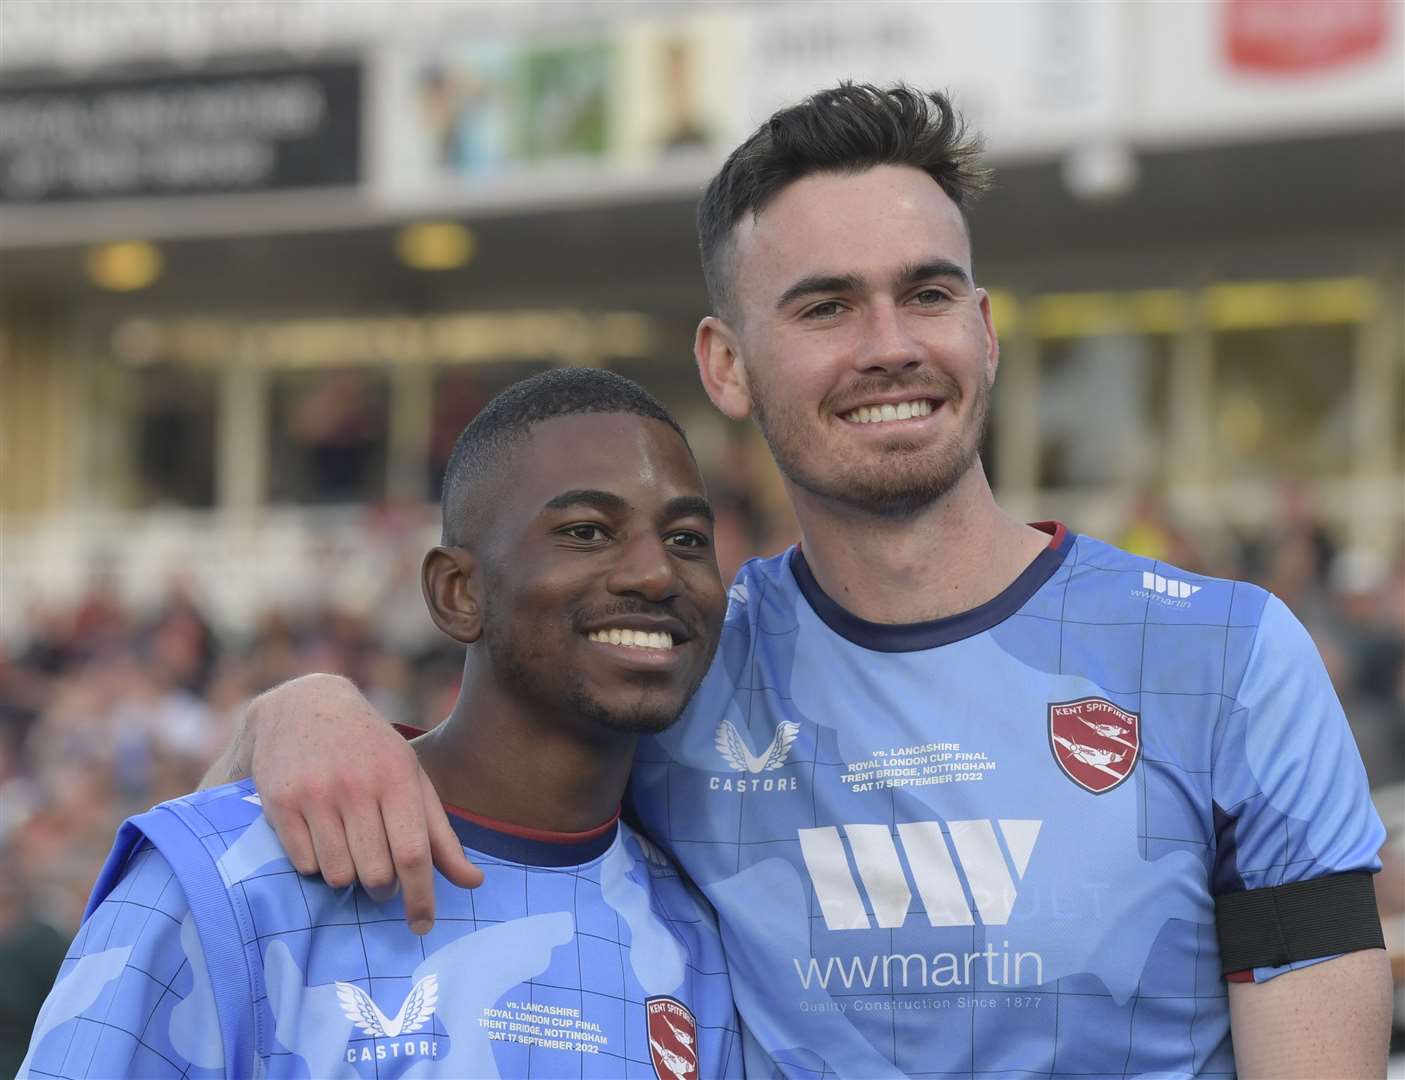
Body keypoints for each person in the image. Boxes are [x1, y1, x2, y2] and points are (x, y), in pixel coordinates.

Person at [216, 85, 1391, 1077]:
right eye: (825, 305)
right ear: (726, 365)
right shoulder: (677, 662)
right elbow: (404, 796)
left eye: (926, 294)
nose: (889, 342)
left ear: (982, 331)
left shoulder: (1226, 659)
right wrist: (294, 709)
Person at [21, 370, 742, 1079]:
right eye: (587, 531)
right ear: (458, 593)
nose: (656, 574)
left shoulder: (707, 936)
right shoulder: (227, 876)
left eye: (686, 540)